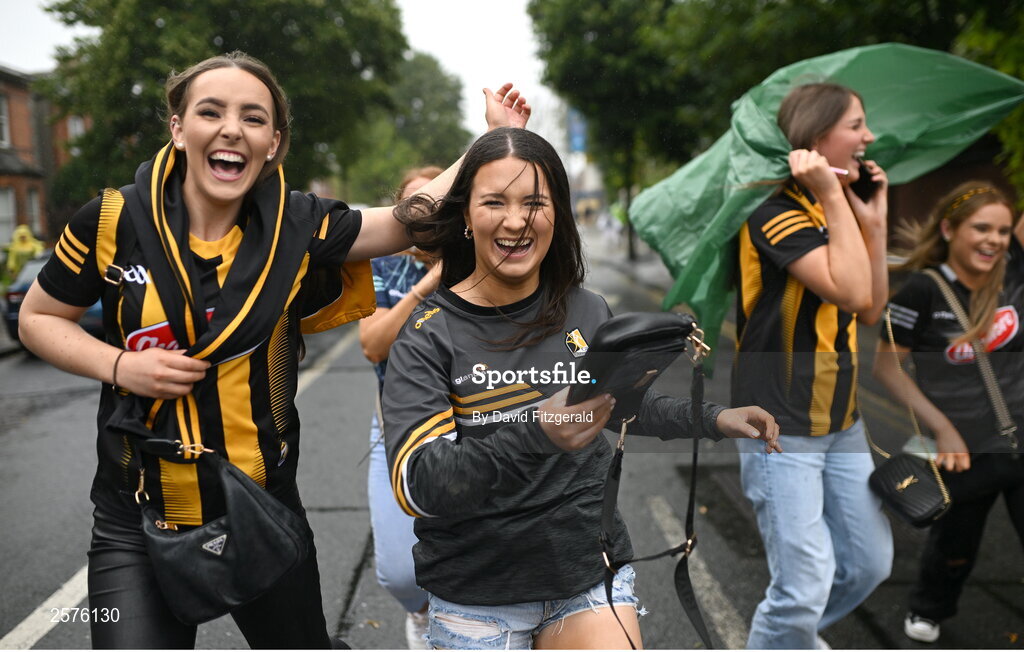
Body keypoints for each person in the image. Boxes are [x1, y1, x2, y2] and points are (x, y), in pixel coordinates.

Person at [16, 50, 530, 649]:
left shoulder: (300, 224)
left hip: (261, 509)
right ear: (179, 129)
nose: (232, 127)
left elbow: (406, 221)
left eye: (253, 118)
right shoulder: (108, 221)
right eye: (211, 111)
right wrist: (121, 364)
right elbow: (38, 318)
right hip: (136, 515)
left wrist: (493, 138)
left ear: (273, 143)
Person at [382, 127, 782, 650]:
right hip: (478, 594)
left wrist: (713, 418)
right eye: (494, 202)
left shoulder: (587, 310)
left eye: (535, 202)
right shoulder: (426, 333)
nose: (516, 220)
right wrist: (537, 431)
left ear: (558, 214)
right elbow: (419, 484)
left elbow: (619, 406)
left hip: (588, 576)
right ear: (464, 216)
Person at [731, 82, 894, 649]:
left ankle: (790, 638)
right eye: (856, 124)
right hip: (780, 425)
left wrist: (874, 219)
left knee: (869, 565)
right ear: (818, 137)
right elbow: (850, 290)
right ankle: (787, 634)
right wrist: (829, 192)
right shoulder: (774, 212)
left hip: (842, 421)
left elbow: (871, 307)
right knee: (802, 587)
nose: (868, 137)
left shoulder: (837, 209)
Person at [873, 182, 1024, 643]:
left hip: (1020, 439)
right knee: (955, 544)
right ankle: (928, 608)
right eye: (980, 228)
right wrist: (944, 429)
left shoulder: (1013, 269)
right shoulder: (920, 291)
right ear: (948, 229)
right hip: (963, 450)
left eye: (1001, 230)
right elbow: (886, 369)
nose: (994, 240)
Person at [359, 165, 444, 648]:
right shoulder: (384, 265)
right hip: (397, 427)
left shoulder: (477, 262)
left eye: (440, 205)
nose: (428, 216)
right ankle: (421, 613)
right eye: (416, 206)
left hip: (469, 423)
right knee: (399, 573)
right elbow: (373, 344)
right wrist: (428, 284)